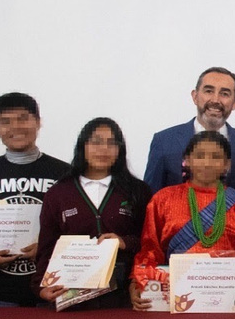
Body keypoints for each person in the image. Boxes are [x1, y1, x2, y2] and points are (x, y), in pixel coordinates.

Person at [130, 130, 235, 309]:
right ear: (187, 161)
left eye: (216, 157)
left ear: (227, 165)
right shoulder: (163, 200)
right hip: (174, 299)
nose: (207, 163)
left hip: (227, 303)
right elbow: (150, 250)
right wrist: (138, 282)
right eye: (199, 156)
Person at [0, 92, 70, 307]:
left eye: (23, 118)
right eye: (5, 121)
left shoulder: (65, 173)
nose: (15, 127)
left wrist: (49, 246)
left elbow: (80, 225)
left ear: (38, 122)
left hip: (54, 285)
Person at [33, 118, 152, 309]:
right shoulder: (59, 193)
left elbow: (149, 243)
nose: (103, 149)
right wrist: (41, 286)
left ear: (120, 150)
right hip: (71, 297)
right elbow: (47, 246)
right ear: (83, 146)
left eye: (112, 143)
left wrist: (125, 242)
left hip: (122, 298)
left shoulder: (138, 190)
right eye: (95, 142)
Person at [144, 67, 235, 192]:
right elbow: (150, 196)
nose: (215, 100)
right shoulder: (164, 141)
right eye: (208, 91)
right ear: (195, 96)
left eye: (224, 94)